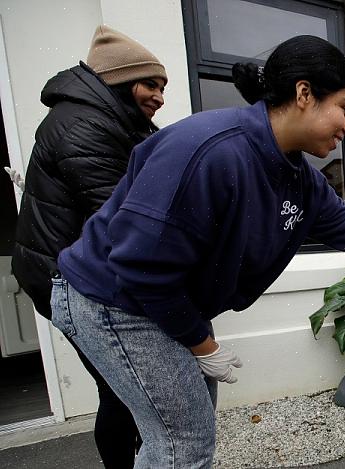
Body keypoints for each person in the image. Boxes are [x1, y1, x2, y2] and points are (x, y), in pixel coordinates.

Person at [49, 35, 345, 468]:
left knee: (187, 426)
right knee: (184, 439)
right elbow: (139, 267)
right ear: (304, 94)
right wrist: (202, 346)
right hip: (113, 300)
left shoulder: (299, 177)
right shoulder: (210, 150)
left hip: (161, 300)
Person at [12, 25, 167, 468]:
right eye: (150, 84)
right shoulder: (84, 124)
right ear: (118, 80)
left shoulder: (113, 120)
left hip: (79, 271)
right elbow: (125, 217)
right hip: (67, 279)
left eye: (163, 86)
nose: (159, 96)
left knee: (123, 388)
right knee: (121, 391)